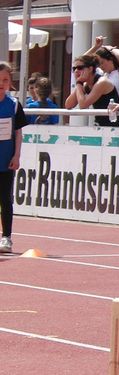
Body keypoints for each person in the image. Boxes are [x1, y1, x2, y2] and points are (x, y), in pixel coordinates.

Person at [0, 62, 28, 254]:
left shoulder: (14, 105)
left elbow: (18, 133)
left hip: (6, 160)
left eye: (5, 80)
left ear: (10, 82)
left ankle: (7, 237)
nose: (1, 84)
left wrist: (17, 155)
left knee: (5, 199)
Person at [64, 54, 119, 127]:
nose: (76, 71)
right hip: (100, 126)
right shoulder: (86, 84)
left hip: (113, 127)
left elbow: (83, 105)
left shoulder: (102, 82)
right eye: (74, 69)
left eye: (80, 68)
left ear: (90, 69)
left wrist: (79, 83)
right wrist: (79, 84)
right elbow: (68, 105)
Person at [88, 37, 119, 104]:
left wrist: (110, 49)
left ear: (110, 59)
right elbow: (82, 62)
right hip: (106, 109)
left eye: (102, 62)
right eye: (99, 64)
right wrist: (95, 47)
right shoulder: (102, 74)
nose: (100, 66)